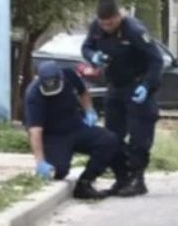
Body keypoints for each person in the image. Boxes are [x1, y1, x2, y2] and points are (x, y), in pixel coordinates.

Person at [81, 0, 164, 197]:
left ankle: (137, 179)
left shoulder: (134, 31)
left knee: (139, 135)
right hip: (115, 87)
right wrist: (93, 56)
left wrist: (146, 85)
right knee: (112, 136)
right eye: (103, 24)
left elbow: (157, 60)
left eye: (110, 23)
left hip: (137, 88)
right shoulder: (97, 28)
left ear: (119, 16)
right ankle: (122, 177)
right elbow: (86, 47)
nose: (107, 28)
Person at [25, 61, 125, 200]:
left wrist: (89, 110)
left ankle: (85, 183)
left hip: (76, 127)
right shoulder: (33, 95)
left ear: (61, 77)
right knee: (58, 172)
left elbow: (83, 91)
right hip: (55, 137)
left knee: (109, 140)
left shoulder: (68, 74)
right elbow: (35, 131)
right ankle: (54, 164)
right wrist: (40, 161)